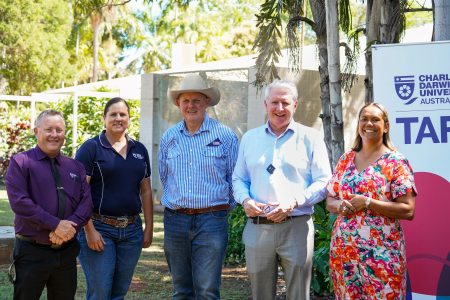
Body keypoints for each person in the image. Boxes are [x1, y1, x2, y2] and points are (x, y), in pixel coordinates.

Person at [232, 79, 332, 300]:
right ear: (266, 104)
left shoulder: (311, 138)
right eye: (274, 102)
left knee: (298, 295)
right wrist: (245, 200)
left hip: (296, 227)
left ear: (295, 106)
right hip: (258, 228)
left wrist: (294, 201)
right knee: (260, 295)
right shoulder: (250, 138)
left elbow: (324, 182)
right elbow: (239, 178)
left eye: (285, 103)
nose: (279, 108)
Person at [159, 73, 239, 299]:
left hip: (212, 220)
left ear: (207, 102)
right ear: (178, 104)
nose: (191, 105)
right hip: (175, 220)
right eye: (186, 100)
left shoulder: (225, 136)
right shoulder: (169, 138)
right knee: (181, 290)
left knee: (207, 291)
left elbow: (234, 179)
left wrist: (219, 210)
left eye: (197, 100)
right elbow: (165, 177)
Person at [326, 102, 417, 299]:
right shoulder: (346, 159)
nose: (369, 123)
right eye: (364, 119)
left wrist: (369, 203)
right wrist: (339, 206)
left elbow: (408, 210)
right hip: (345, 254)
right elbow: (330, 199)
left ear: (386, 126)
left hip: (382, 256)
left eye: (376, 119)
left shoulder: (396, 162)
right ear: (358, 124)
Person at [5, 109, 93, 300]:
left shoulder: (75, 166)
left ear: (64, 134)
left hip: (67, 253)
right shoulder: (20, 163)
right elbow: (20, 203)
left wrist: (68, 229)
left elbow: (86, 204)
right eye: (48, 129)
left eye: (59, 130)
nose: (54, 134)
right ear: (36, 132)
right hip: (31, 252)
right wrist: (56, 225)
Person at [75, 97, 153, 300]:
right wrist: (89, 231)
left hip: (132, 231)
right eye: (113, 114)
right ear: (104, 118)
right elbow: (79, 192)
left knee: (118, 293)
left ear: (128, 118)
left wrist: (149, 228)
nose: (118, 118)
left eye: (123, 114)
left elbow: (145, 191)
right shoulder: (90, 148)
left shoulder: (140, 150)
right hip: (99, 228)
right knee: (100, 293)